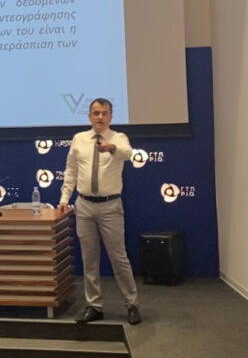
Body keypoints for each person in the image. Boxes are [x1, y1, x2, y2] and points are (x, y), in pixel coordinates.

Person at [59, 98, 142, 325]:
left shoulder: (119, 138)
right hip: (84, 205)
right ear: (89, 116)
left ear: (111, 117)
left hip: (110, 206)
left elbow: (128, 153)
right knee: (89, 260)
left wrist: (111, 148)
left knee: (119, 258)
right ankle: (94, 306)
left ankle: (132, 304)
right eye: (96, 113)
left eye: (104, 113)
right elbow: (71, 170)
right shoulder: (79, 139)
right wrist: (65, 198)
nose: (100, 117)